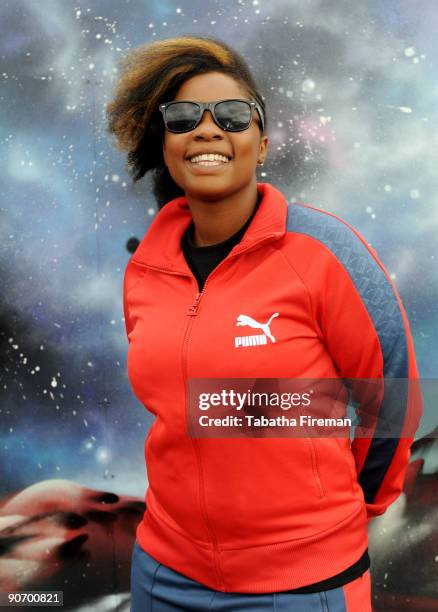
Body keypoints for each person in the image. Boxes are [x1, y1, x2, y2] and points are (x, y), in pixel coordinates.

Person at [106, 35, 422, 611]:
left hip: (300, 586)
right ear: (166, 144)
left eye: (231, 115)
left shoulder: (326, 253)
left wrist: (343, 513)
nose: (206, 129)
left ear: (262, 143)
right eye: (183, 118)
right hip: (164, 574)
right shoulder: (146, 268)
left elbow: (392, 394)